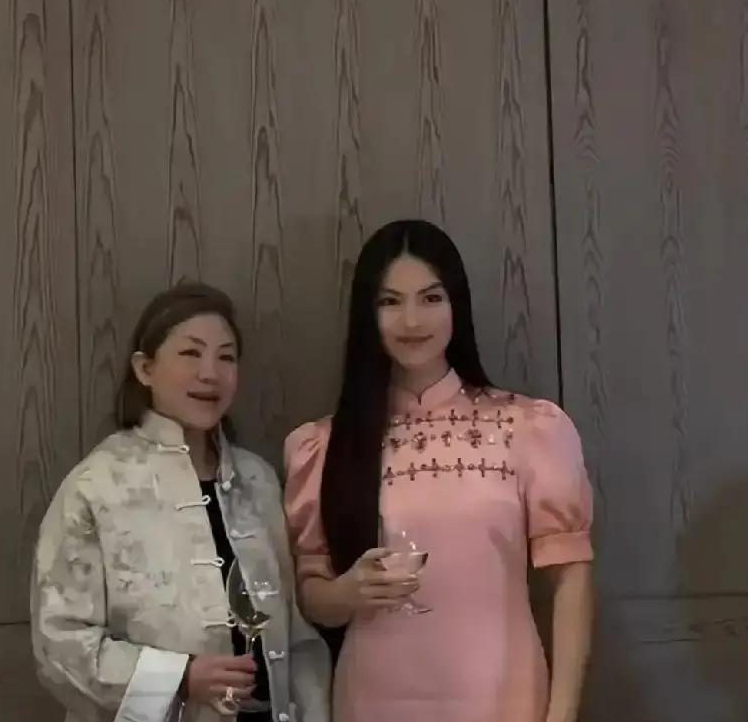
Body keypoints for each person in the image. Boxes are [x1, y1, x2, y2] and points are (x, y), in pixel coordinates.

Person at [283, 220, 594, 722]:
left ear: (457, 305)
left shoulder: (527, 428)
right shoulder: (324, 445)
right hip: (374, 697)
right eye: (390, 302)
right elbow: (312, 592)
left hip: (504, 695)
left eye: (430, 298)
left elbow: (570, 580)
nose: (412, 320)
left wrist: (561, 715)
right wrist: (346, 592)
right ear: (367, 314)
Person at [33, 283, 330, 722]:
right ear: (145, 368)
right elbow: (59, 645)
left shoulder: (258, 481)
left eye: (226, 357)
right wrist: (180, 678)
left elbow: (296, 633)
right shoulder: (97, 486)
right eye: (191, 353)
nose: (210, 373)